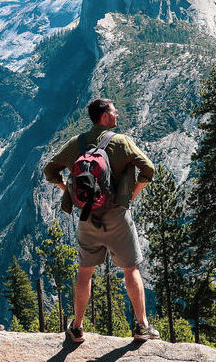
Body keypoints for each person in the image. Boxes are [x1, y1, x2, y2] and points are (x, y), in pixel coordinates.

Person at [44, 98, 160, 342]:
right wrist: (132, 195)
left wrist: (68, 191)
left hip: (87, 217)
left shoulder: (77, 143)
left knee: (85, 272)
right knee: (131, 269)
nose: (117, 114)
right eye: (114, 111)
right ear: (105, 117)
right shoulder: (122, 142)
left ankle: (76, 327)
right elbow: (148, 168)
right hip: (118, 217)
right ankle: (142, 327)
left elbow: (50, 170)